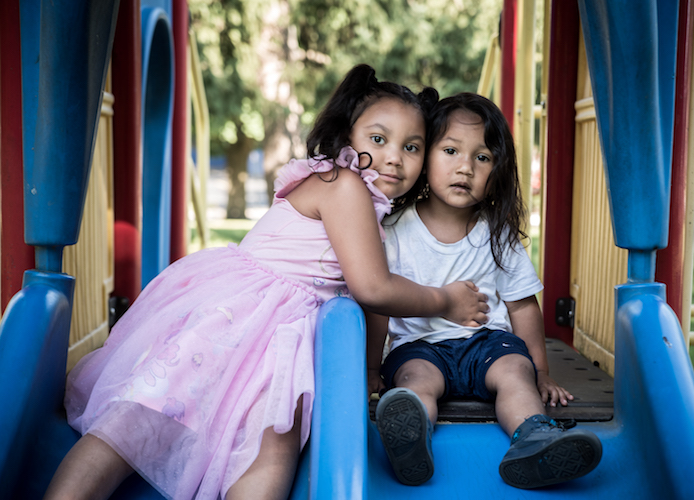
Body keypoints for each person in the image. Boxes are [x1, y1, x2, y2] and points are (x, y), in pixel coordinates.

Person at [44, 66, 490, 500]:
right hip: (247, 316)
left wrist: (371, 371)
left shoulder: (367, 203)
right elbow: (374, 288)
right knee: (144, 419)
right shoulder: (344, 185)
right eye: (379, 139)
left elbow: (370, 298)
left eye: (412, 147)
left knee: (272, 441)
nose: (395, 156)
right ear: (346, 137)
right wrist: (444, 300)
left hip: (282, 334)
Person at [368, 93, 602, 490]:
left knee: (515, 374)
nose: (465, 167)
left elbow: (523, 306)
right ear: (424, 159)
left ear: (498, 169)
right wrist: (372, 369)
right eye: (451, 150)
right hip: (421, 347)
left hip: (488, 344)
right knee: (414, 381)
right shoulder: (393, 230)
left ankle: (534, 438)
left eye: (482, 157)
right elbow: (380, 305)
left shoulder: (498, 233)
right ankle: (411, 439)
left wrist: (540, 371)